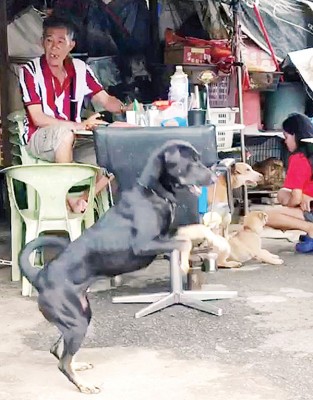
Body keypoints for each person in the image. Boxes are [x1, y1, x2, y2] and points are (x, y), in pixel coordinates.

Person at [19, 14, 134, 212]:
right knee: (64, 135)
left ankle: (85, 199)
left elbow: (105, 100)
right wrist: (79, 125)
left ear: (71, 45)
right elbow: (37, 118)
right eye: (49, 41)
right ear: (42, 43)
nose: (54, 47)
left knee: (116, 147)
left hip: (75, 138)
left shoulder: (80, 69)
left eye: (60, 42)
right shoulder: (30, 70)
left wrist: (128, 108)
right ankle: (69, 198)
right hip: (39, 138)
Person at [266, 113, 313, 252]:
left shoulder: (299, 158)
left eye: (286, 137)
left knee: (266, 216)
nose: (285, 142)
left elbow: (296, 197)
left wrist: (289, 205)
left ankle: (310, 229)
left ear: (295, 135)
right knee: (284, 193)